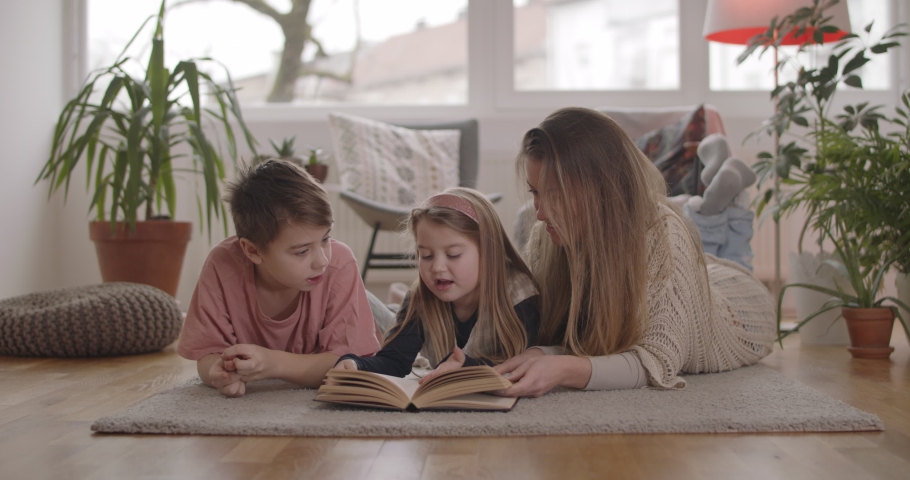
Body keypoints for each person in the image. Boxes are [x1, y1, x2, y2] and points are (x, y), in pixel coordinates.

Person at [494, 107, 776, 396]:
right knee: (703, 238)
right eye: (535, 193)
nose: (540, 213)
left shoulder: (661, 231)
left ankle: (732, 200)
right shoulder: (549, 237)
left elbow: (657, 359)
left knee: (725, 236)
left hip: (741, 311)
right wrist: (542, 354)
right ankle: (716, 187)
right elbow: (590, 343)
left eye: (555, 195)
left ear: (600, 189)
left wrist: (563, 369)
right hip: (691, 277)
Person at [177, 159, 381, 397]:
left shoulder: (339, 263)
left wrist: (272, 363)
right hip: (347, 307)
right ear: (253, 251)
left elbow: (347, 364)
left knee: (407, 330)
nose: (322, 260)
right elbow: (208, 355)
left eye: (325, 239)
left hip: (376, 320)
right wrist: (222, 372)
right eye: (302, 251)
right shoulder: (222, 265)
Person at [333, 187, 540, 380]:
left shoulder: (520, 294)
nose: (437, 268)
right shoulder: (421, 297)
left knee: (384, 316)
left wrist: (466, 368)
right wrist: (356, 365)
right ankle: (396, 301)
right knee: (365, 300)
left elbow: (515, 364)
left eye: (453, 255)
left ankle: (394, 301)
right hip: (407, 314)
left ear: (489, 253)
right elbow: (395, 361)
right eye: (426, 255)